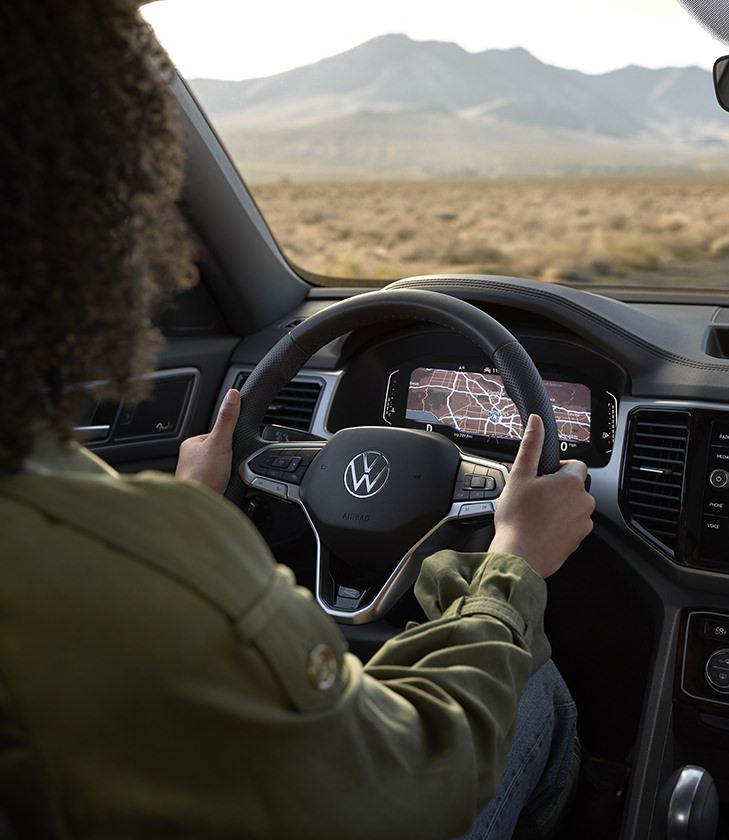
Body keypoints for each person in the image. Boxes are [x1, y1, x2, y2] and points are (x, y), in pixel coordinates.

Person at [0, 1, 593, 838]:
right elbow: (412, 780)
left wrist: (198, 518)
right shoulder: (125, 566)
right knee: (528, 682)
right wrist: (513, 562)